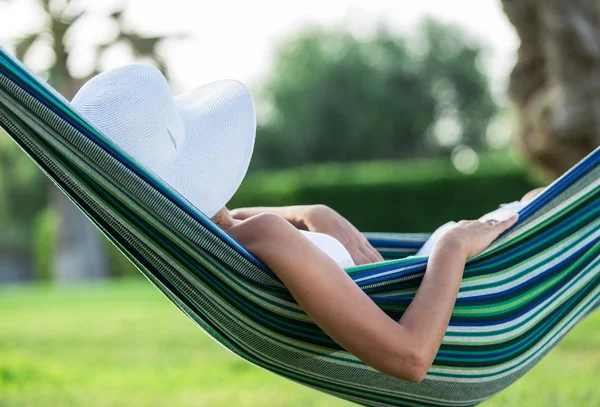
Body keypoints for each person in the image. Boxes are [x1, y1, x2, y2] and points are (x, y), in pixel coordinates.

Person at [71, 65, 543, 383]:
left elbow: (240, 218)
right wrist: (453, 246)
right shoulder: (261, 237)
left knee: (543, 203)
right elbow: (411, 358)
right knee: (549, 207)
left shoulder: (223, 235)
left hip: (449, 289)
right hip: (462, 305)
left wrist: (314, 214)